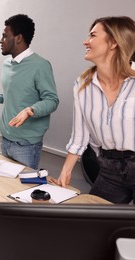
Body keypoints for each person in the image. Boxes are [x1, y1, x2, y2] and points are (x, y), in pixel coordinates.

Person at [55, 16, 135, 204]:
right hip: (109, 169)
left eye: (92, 35)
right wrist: (65, 173)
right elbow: (79, 137)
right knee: (95, 225)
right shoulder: (83, 84)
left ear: (114, 42)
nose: (86, 41)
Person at [0, 14, 59, 170]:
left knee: (22, 190)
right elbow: (12, 93)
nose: (0, 40)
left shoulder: (40, 65)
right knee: (6, 188)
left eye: (4, 36)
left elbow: (52, 100)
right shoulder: (7, 64)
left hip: (26, 145)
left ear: (18, 38)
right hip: (5, 139)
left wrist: (30, 110)